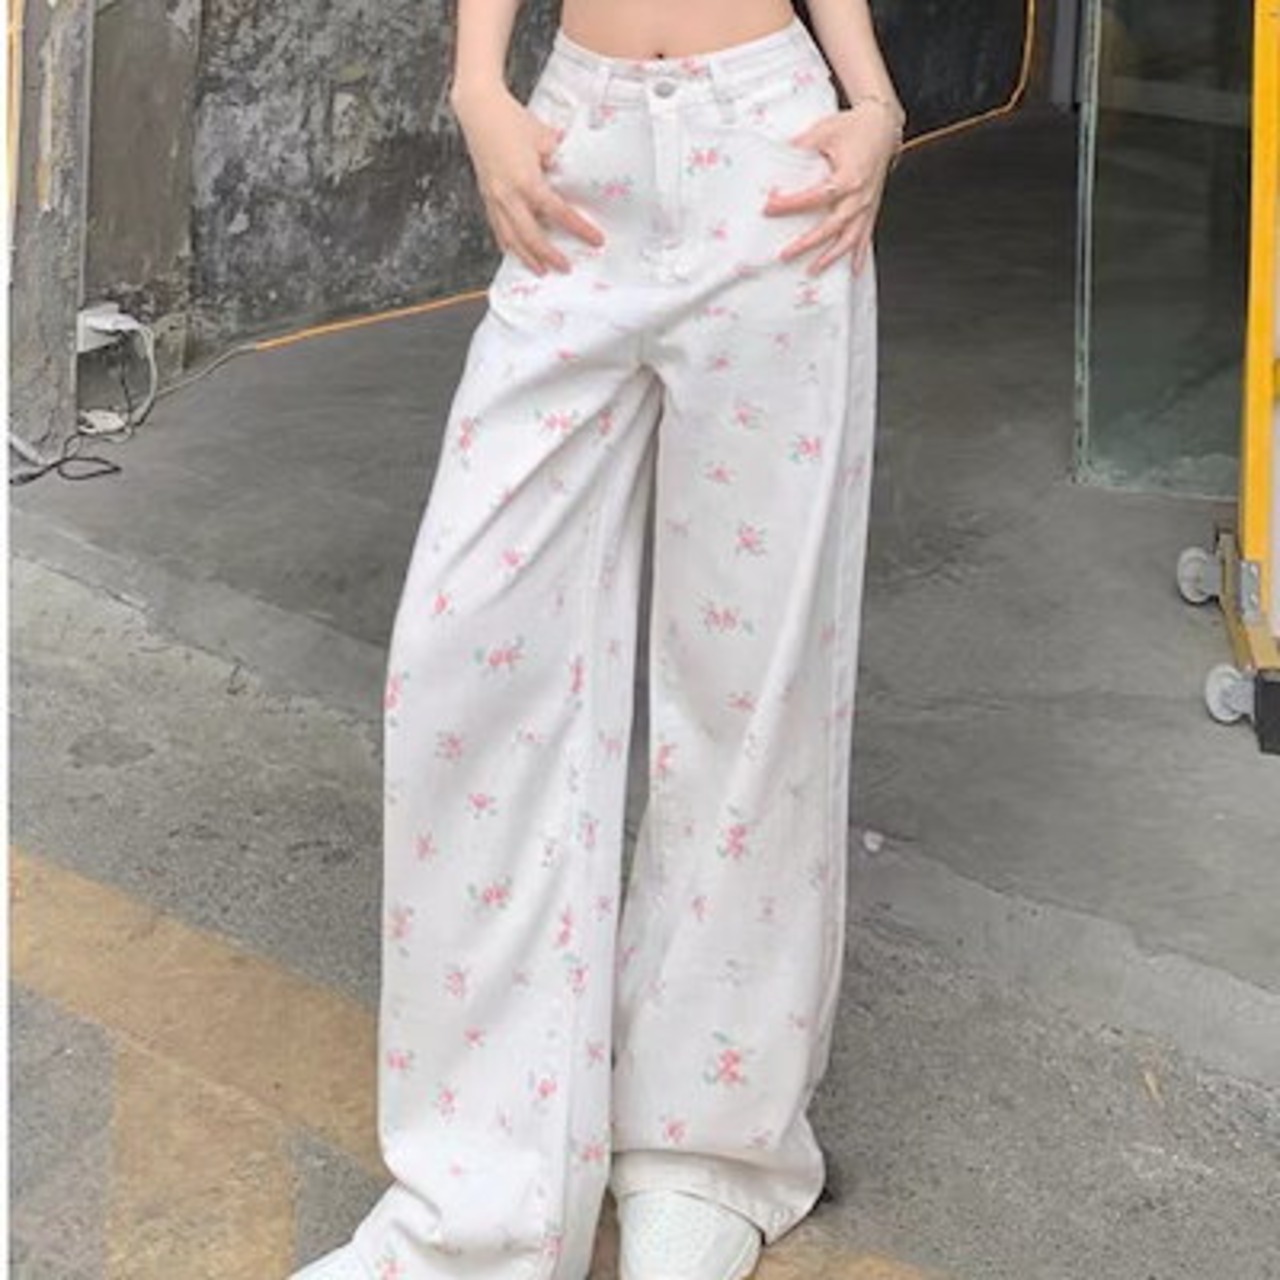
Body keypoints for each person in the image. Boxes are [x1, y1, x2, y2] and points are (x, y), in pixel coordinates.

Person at [292, 1, 903, 1277]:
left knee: (750, 685)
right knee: (465, 654)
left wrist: (875, 103)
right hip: (578, 159)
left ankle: (706, 1146)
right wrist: (476, 83)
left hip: (772, 161)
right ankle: (482, 1192)